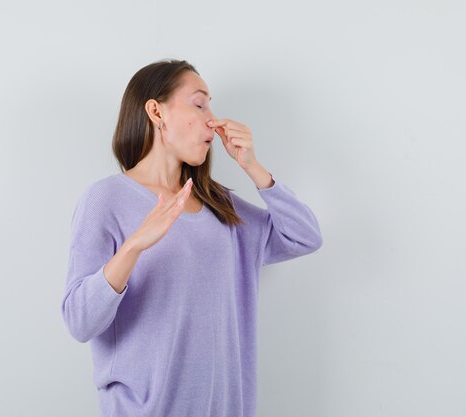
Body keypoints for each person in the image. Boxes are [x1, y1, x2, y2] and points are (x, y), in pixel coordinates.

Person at [60, 58, 323, 417]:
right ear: (156, 111)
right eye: (199, 104)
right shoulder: (107, 199)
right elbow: (80, 321)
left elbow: (304, 237)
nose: (212, 122)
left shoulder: (222, 205)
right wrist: (135, 245)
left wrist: (253, 167)